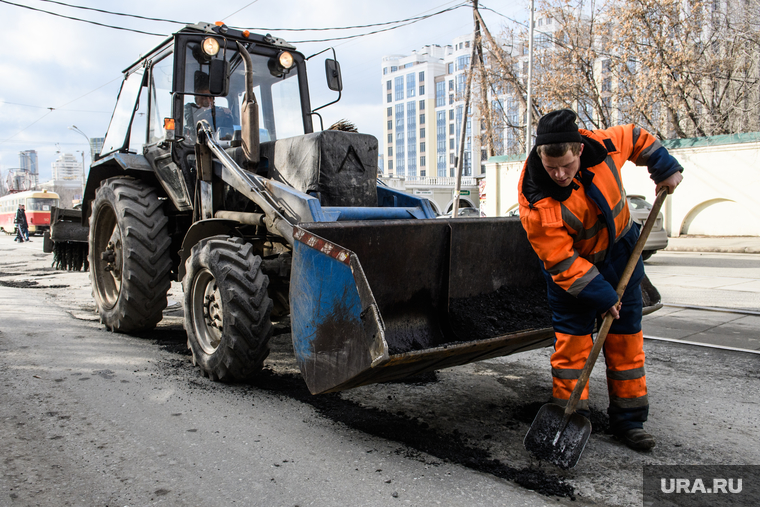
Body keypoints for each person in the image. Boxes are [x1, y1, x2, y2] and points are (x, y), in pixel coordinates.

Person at [517, 109, 683, 451]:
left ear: (579, 150)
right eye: (551, 168)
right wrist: (603, 295)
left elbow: (636, 137)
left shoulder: (603, 145)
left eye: (566, 165)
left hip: (623, 254)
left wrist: (664, 168)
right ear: (539, 156)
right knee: (572, 349)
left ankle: (630, 420)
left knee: (626, 343)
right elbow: (561, 260)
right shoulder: (537, 201)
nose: (559, 175)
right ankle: (571, 412)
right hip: (573, 277)